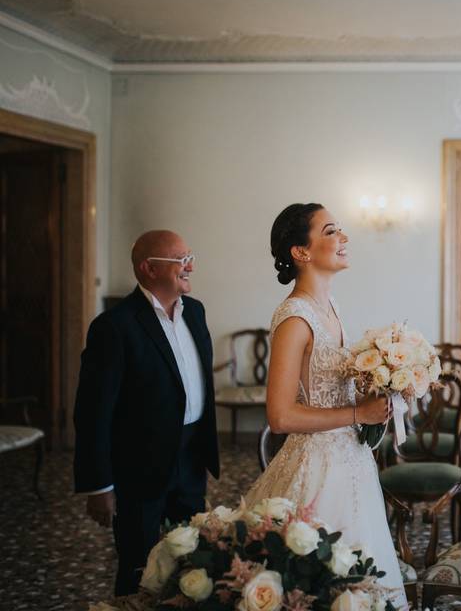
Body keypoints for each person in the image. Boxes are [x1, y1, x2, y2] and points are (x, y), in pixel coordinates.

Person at [242, 203, 406, 608]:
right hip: (317, 470)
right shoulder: (295, 319)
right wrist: (357, 415)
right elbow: (279, 417)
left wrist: (382, 384)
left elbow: (327, 387)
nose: (344, 238)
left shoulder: (331, 309)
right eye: (331, 230)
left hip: (351, 462)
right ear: (301, 252)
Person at [73, 230, 220, 596]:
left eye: (190, 256)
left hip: (189, 458)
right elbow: (93, 411)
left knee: (190, 559)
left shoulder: (196, 312)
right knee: (138, 564)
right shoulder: (114, 326)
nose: (190, 266)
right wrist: (99, 485)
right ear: (149, 268)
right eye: (180, 260)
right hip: (138, 466)